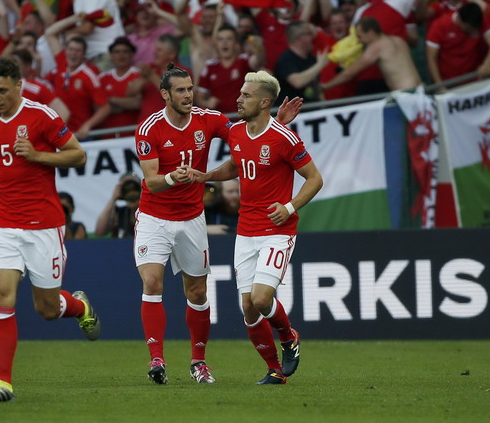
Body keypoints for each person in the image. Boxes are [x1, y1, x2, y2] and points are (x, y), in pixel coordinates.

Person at [133, 64, 301, 385]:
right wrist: (172, 177)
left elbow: (248, 139)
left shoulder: (208, 119)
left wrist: (278, 122)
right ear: (165, 95)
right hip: (154, 217)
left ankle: (199, 362)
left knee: (197, 292)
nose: (188, 95)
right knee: (152, 283)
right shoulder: (149, 128)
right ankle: (157, 359)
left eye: (190, 88)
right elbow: (152, 182)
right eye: (180, 90)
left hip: (192, 217)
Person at [0, 57, 100, 402]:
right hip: (4, 224)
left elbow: (77, 155)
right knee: (0, 295)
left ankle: (79, 307)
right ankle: (2, 382)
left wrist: (37, 155)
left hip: (43, 226)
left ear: (19, 85)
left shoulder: (42, 116)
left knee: (47, 309)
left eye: (2, 90)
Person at [190, 71, 323, 385]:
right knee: (249, 309)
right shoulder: (236, 132)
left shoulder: (284, 137)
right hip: (245, 231)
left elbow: (315, 179)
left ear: (264, 101)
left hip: (277, 230)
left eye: (246, 95)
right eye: (240, 93)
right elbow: (235, 165)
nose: (239, 99)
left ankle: (289, 337)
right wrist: (205, 176)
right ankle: (275, 370)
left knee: (262, 299)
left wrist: (289, 207)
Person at [319, 17, 422, 92]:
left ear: (371, 32)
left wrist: (326, 86)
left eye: (360, 36)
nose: (359, 41)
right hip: (419, 89)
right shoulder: (398, 40)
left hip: (406, 94)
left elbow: (350, 73)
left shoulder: (376, 47)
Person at [95, 172, 141, 238]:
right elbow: (100, 231)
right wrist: (113, 199)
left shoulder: (148, 211)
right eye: (126, 186)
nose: (130, 190)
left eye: (134, 185)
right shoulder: (118, 213)